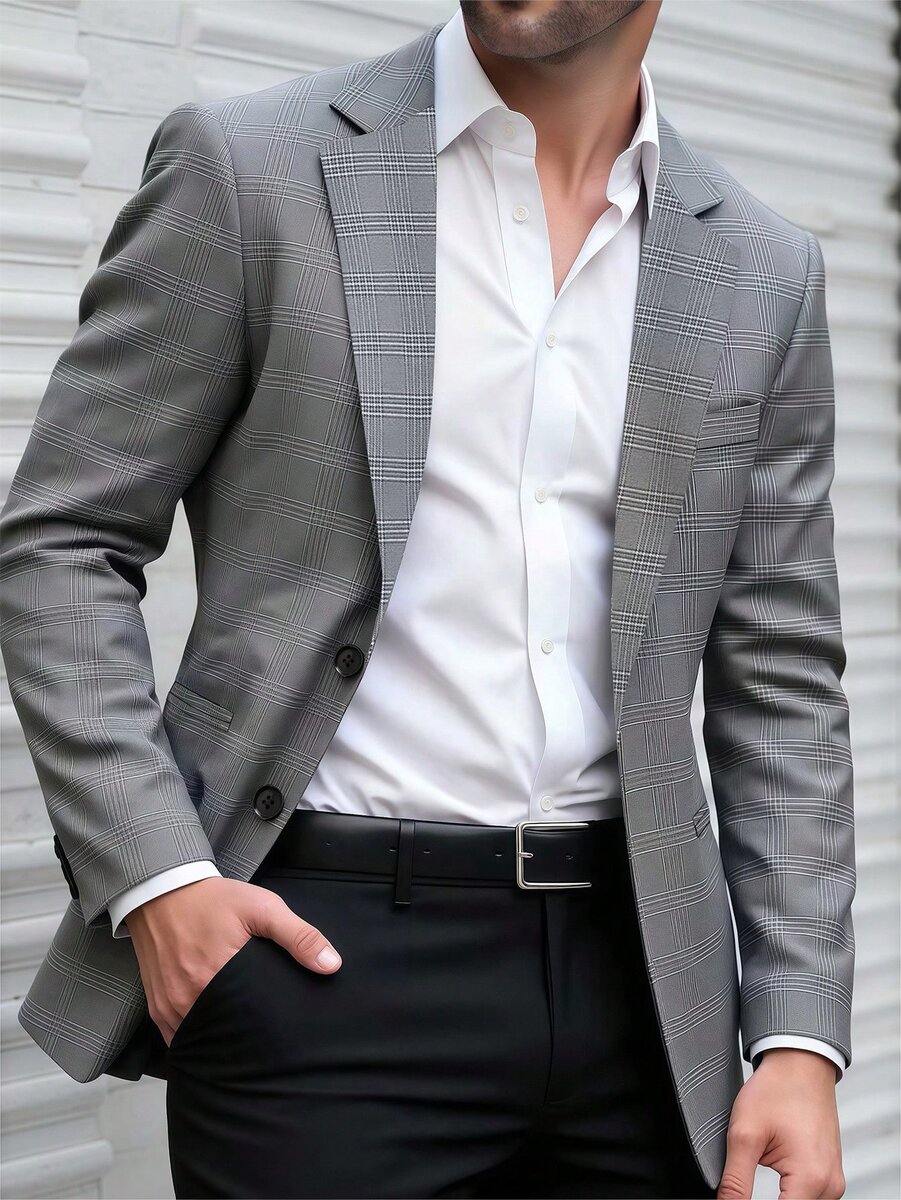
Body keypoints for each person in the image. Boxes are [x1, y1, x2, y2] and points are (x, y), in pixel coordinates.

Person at [0, 2, 856, 1197]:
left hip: (645, 991)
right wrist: (164, 883)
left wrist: (798, 1037)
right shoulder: (251, 169)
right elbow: (65, 537)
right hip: (325, 970)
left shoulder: (760, 268)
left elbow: (781, 675)